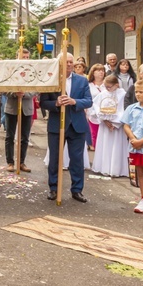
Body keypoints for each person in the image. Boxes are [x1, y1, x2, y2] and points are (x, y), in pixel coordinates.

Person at [40, 52, 93, 202]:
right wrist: (56, 103)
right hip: (57, 124)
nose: (69, 65)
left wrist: (74, 102)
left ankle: (77, 190)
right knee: (55, 158)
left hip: (77, 125)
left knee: (77, 160)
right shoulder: (51, 80)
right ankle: (53, 188)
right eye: (66, 62)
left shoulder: (82, 81)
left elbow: (88, 101)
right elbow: (43, 103)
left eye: (71, 62)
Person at [122, 79, 143, 215]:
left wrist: (142, 141)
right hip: (135, 147)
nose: (138, 94)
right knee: (140, 173)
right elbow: (126, 125)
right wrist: (132, 138)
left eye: (141, 92)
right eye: (136, 92)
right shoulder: (131, 108)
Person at [89, 75, 129, 177]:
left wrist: (115, 122)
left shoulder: (123, 94)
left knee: (117, 146)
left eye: (109, 87)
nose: (107, 89)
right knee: (106, 145)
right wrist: (104, 119)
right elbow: (96, 107)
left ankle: (117, 169)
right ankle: (104, 167)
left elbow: (123, 110)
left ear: (116, 85)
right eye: (106, 86)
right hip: (105, 125)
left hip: (117, 126)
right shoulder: (103, 94)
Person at [3, 48, 35, 172]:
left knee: (25, 137)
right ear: (17, 57)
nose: (25, 60)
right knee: (10, 136)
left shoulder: (33, 71)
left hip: (27, 108)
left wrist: (26, 94)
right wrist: (15, 93)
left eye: (27, 57)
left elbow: (37, 89)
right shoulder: (10, 70)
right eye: (23, 57)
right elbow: (3, 88)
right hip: (12, 107)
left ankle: (21, 162)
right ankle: (10, 162)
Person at [87, 63, 106, 151]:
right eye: (98, 70)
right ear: (93, 73)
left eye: (102, 70)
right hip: (92, 112)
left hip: (105, 112)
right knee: (94, 132)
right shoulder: (88, 85)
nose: (101, 72)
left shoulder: (106, 84)